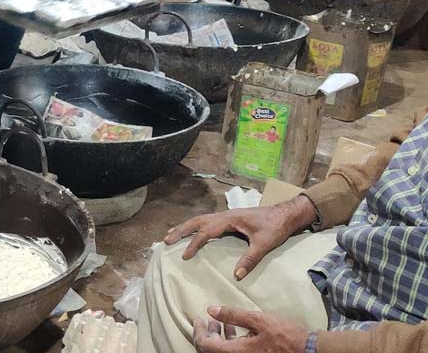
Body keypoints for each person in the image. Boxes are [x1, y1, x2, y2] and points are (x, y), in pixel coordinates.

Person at [138, 108, 428, 353]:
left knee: (179, 276)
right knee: (180, 256)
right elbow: (402, 150)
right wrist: (292, 211)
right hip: (359, 257)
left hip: (393, 324)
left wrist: (307, 345)